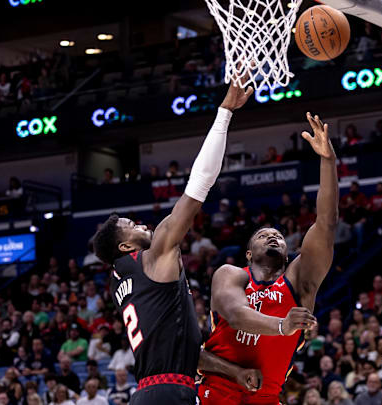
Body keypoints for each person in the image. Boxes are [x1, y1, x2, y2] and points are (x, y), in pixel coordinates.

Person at [92, 81, 261, 405]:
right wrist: (224, 113)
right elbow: (199, 186)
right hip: (168, 394)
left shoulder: (123, 280)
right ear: (127, 247)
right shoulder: (152, 258)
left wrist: (234, 372)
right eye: (132, 226)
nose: (141, 224)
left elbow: (181, 351)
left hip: (154, 391)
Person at [199, 112, 338, 405]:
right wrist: (282, 326)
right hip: (219, 387)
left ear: (288, 252)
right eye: (263, 236)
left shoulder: (300, 280)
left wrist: (327, 162)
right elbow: (236, 315)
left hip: (267, 395)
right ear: (248, 254)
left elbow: (326, 223)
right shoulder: (230, 274)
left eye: (277, 236)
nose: (273, 237)